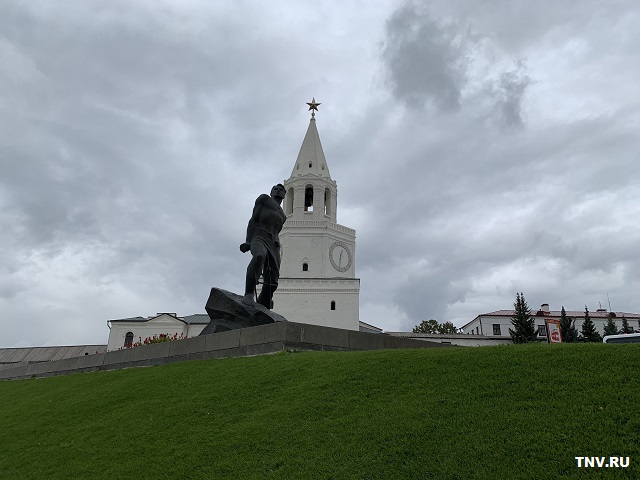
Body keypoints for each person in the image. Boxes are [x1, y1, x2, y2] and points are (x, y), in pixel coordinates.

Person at [240, 184, 287, 309]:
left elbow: (277, 230)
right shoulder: (264, 199)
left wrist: (276, 240)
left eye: (281, 190)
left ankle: (263, 303)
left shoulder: (283, 215)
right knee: (259, 256)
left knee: (273, 280)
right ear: (271, 192)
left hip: (274, 243)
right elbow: (253, 219)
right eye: (275, 189)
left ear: (284, 195)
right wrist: (248, 241)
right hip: (260, 236)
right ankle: (249, 293)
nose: (278, 191)